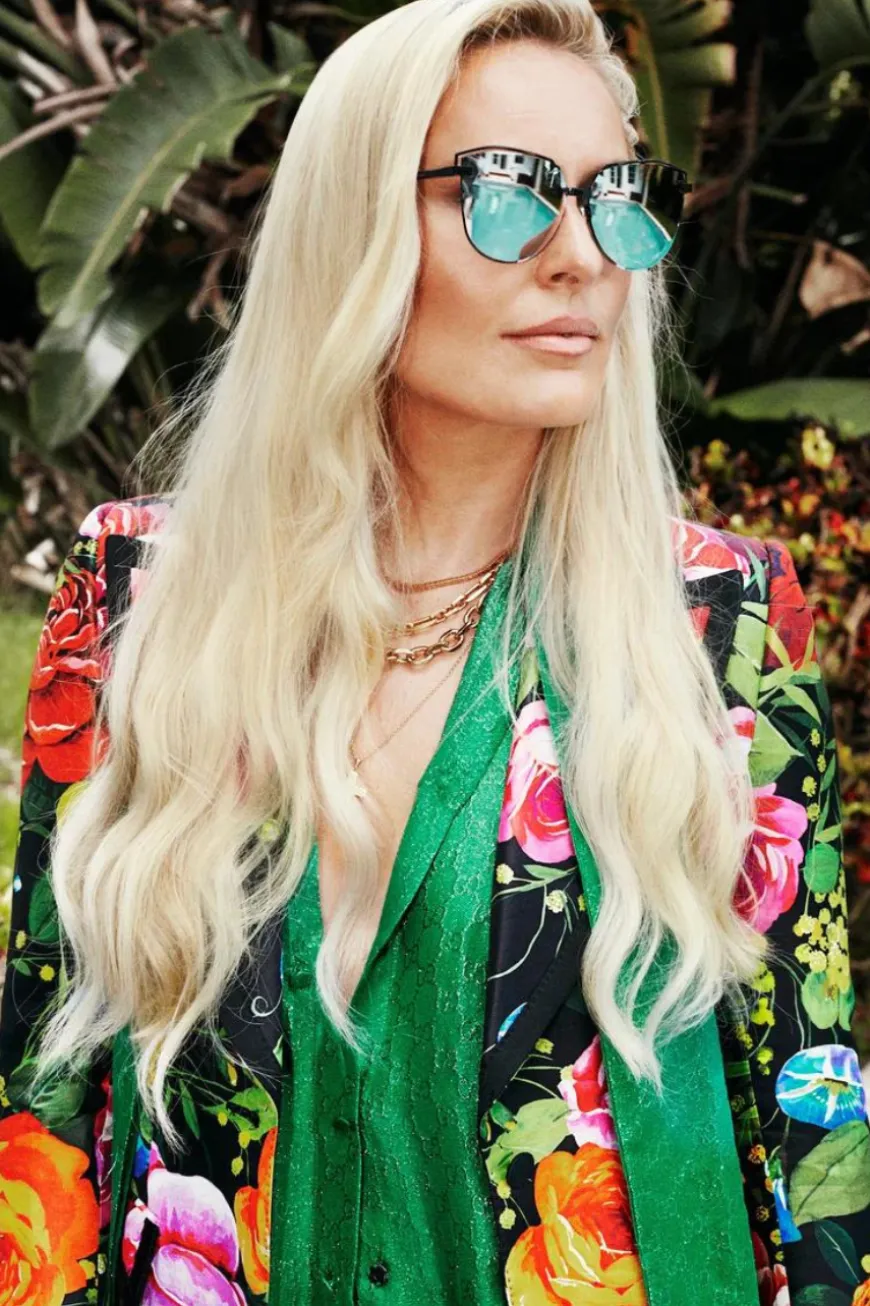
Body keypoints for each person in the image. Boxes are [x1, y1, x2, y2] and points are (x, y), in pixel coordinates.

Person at [2, 0, 868, 1301]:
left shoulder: (720, 622)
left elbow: (816, 1137)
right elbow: (43, 1108)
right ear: (351, 228)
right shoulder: (143, 600)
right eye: (512, 193)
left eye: (617, 198)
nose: (582, 256)